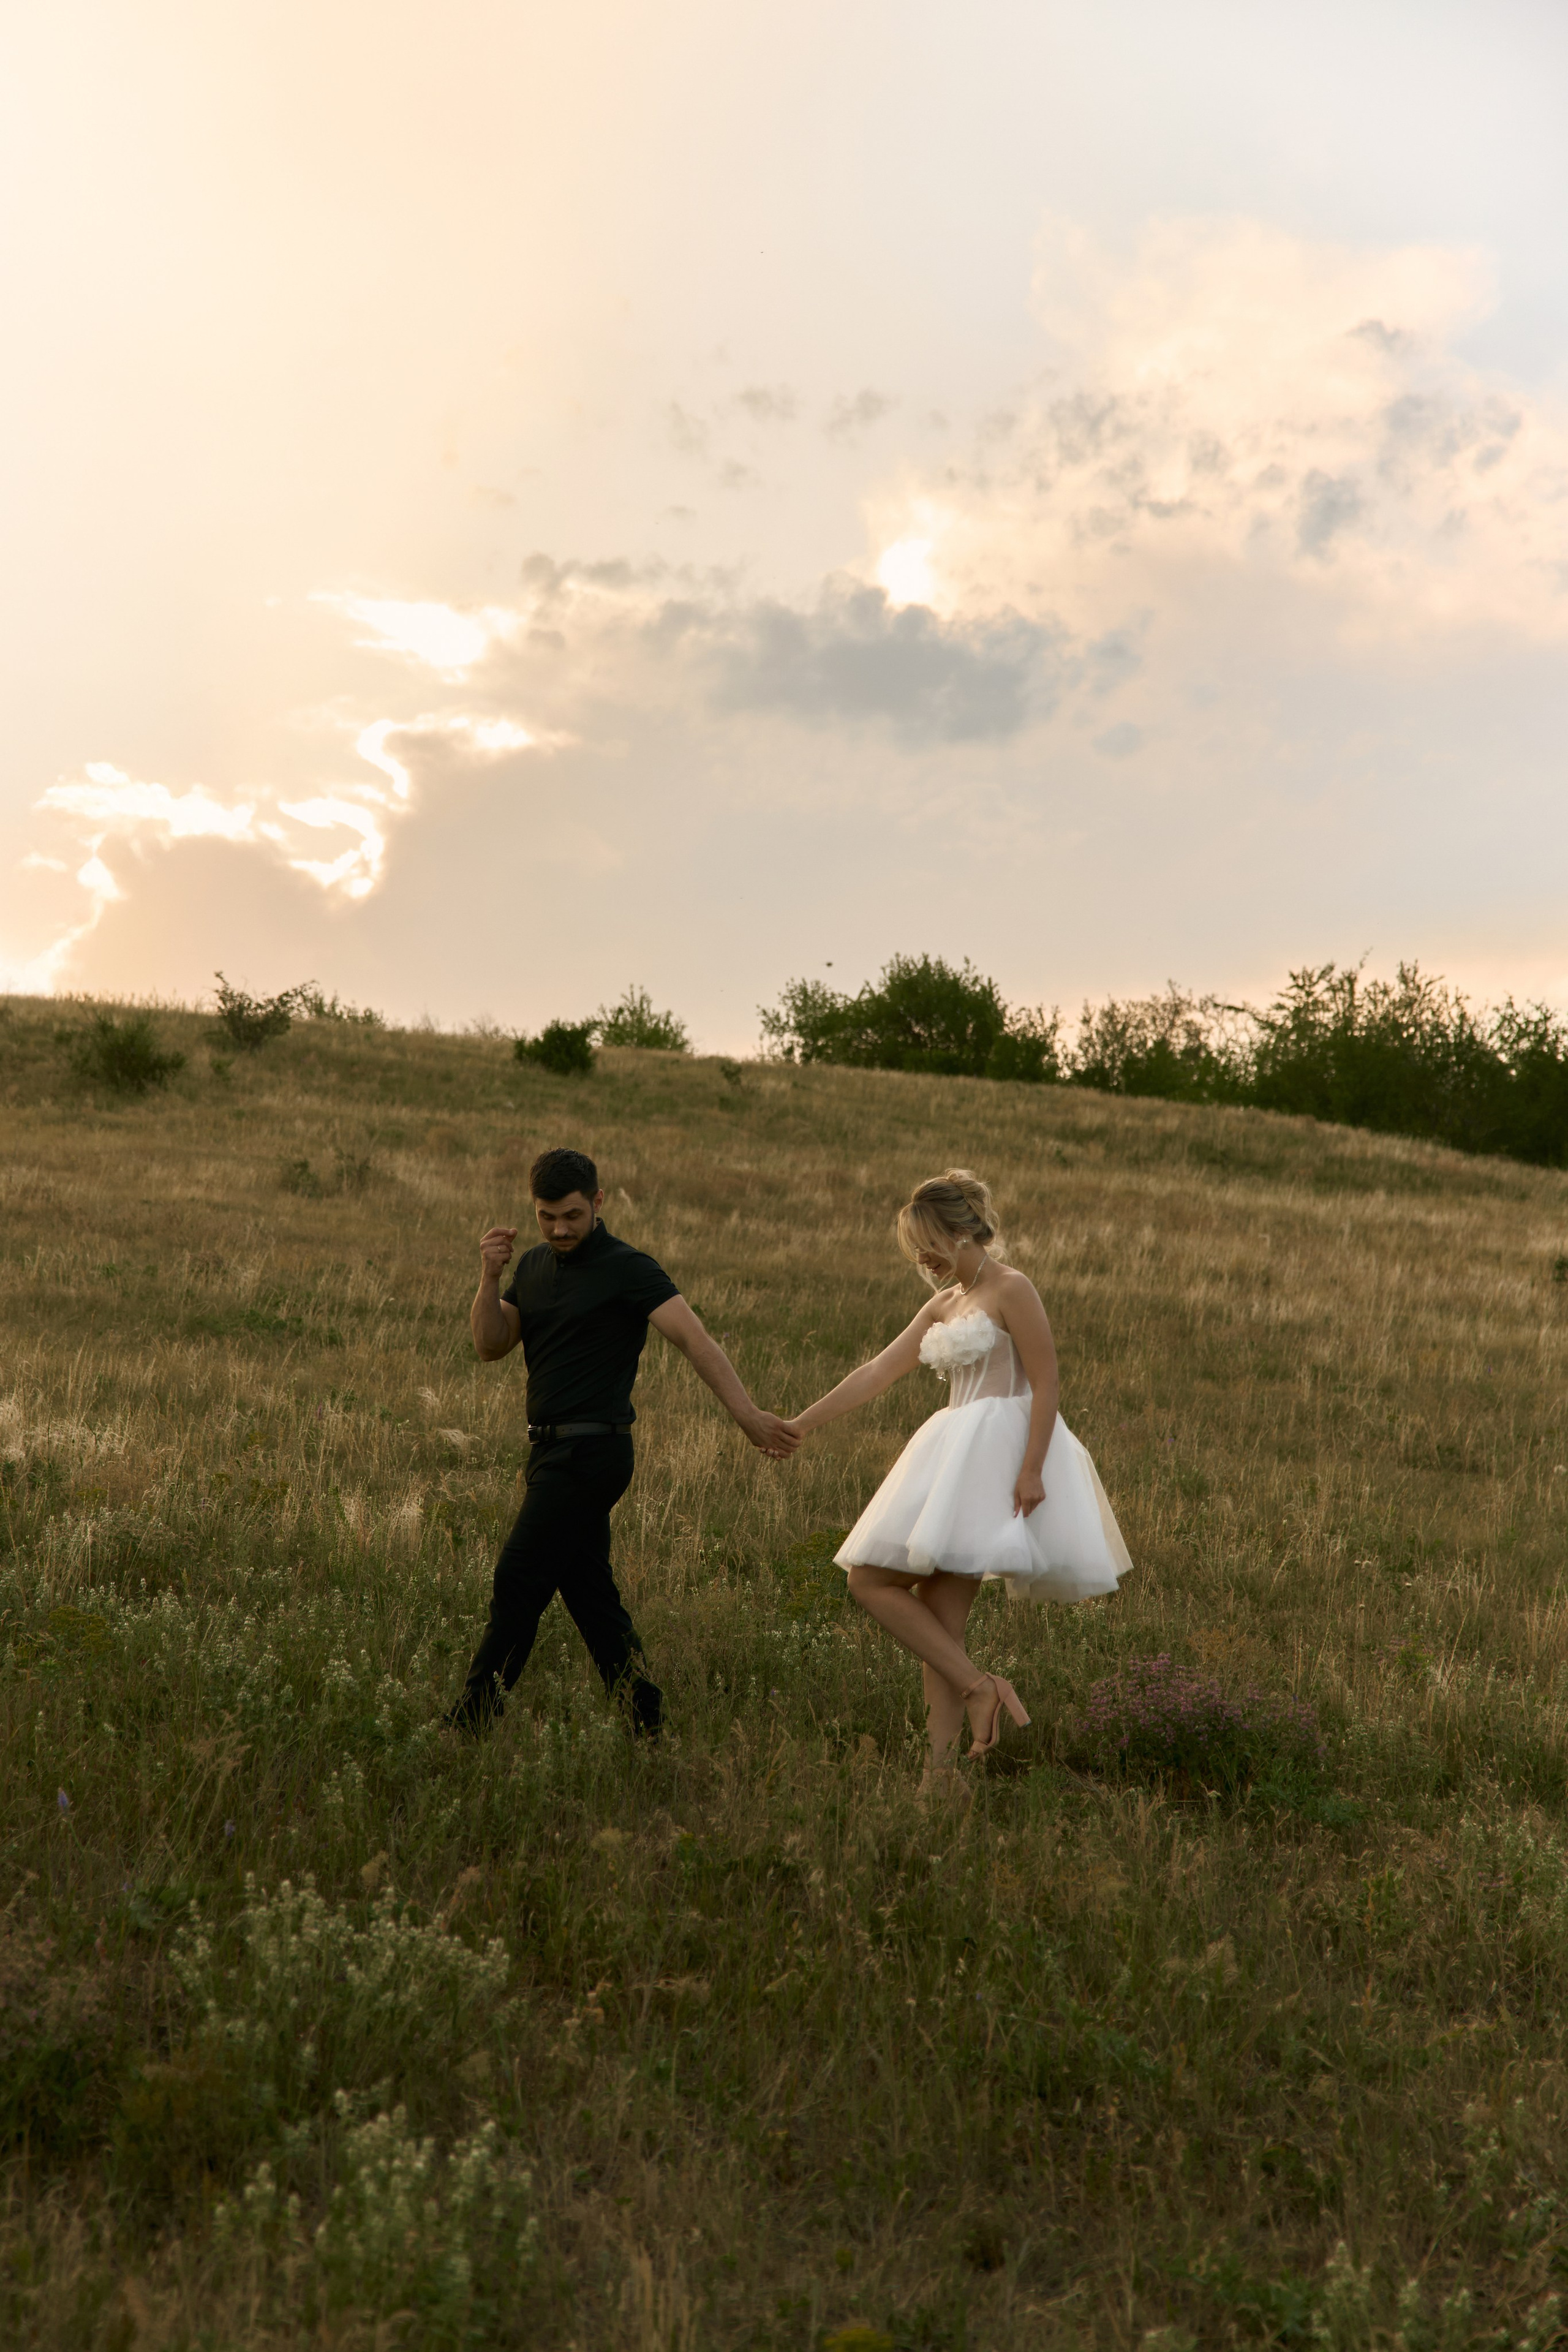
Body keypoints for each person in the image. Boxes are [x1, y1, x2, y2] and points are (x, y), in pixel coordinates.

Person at [783, 1170, 1131, 1789]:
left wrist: (1031, 1469)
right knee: (935, 1628)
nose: (923, 1258)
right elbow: (878, 1371)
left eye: (929, 1244)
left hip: (996, 1458)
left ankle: (970, 1702)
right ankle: (941, 1772)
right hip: (950, 1453)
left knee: (873, 1583)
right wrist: (800, 1424)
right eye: (916, 1249)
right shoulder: (943, 1304)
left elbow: (1047, 1381)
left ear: (962, 1231)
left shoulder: (1012, 1288)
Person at [444, 1145, 799, 1738]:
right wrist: (489, 1276)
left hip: (593, 1452)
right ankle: (645, 1718)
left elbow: (695, 1340)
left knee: (518, 1577)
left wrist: (749, 1417)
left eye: (572, 1216)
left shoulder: (628, 1268)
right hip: (547, 1452)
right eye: (547, 1217)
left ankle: (470, 1721)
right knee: (590, 1595)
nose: (560, 1229)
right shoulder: (532, 1267)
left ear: (598, 1203)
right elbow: (490, 1345)